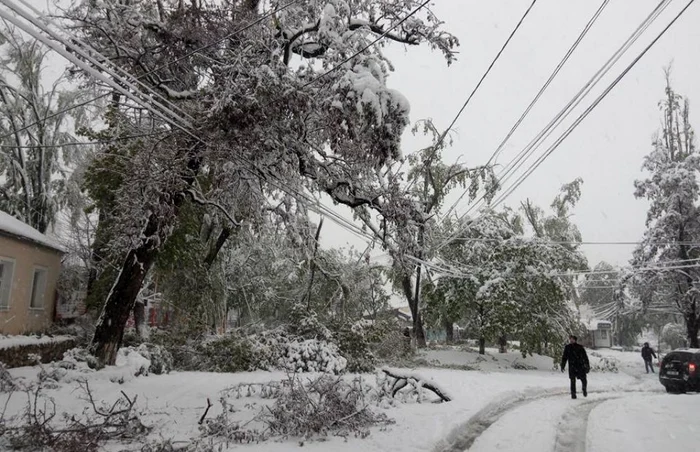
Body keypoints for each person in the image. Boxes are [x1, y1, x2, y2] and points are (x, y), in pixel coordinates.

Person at [561, 335, 590, 399]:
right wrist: (562, 366)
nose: (571, 340)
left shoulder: (580, 347)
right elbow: (564, 357)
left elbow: (585, 357)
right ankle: (573, 393)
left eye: (572, 339)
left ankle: (584, 389)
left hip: (580, 366)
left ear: (575, 340)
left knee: (584, 379)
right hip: (572, 366)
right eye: (570, 339)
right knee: (572, 380)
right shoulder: (567, 348)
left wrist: (587, 366)